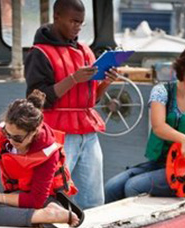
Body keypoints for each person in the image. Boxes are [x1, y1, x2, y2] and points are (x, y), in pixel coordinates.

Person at [24, 0, 118, 210]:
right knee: (54, 195)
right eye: (73, 21)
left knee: (93, 199)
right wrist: (73, 79)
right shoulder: (39, 53)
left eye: (81, 23)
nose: (77, 27)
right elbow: (36, 100)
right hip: (57, 134)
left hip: (88, 133)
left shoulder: (86, 51)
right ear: (57, 17)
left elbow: (91, 100)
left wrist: (107, 82)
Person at [104, 43, 185, 202]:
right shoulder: (162, 91)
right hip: (161, 163)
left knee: (132, 187)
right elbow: (158, 127)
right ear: (183, 66)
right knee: (112, 187)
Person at [0, 90, 80, 227]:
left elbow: (35, 200)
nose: (10, 139)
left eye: (17, 138)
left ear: (34, 132)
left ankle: (49, 214)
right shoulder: (4, 131)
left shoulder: (48, 152)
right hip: (16, 196)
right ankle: (30, 219)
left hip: (42, 201)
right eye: (7, 133)